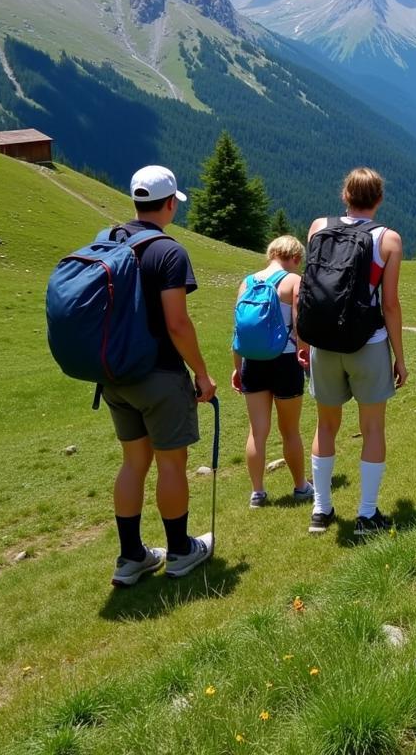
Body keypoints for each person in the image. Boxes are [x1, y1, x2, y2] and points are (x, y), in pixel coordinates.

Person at [103, 166, 217, 586]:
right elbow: (177, 325)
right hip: (159, 375)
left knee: (134, 462)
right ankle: (181, 551)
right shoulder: (168, 251)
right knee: (172, 463)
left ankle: (131, 556)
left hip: (114, 375)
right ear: (170, 204)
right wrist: (202, 373)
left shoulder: (112, 241)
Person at [297, 168, 407, 536]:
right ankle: (366, 514)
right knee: (372, 427)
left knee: (326, 425)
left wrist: (303, 340)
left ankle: (321, 509)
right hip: (368, 342)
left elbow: (310, 288)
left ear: (345, 195)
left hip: (323, 343)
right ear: (378, 199)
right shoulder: (388, 239)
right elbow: (389, 304)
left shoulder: (317, 228)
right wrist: (400, 358)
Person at [231, 235, 314, 508]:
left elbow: (239, 331)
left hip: (252, 361)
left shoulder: (247, 282)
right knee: (290, 430)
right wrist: (306, 355)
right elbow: (300, 325)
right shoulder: (293, 282)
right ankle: (301, 486)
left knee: (257, 431)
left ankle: (257, 492)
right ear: (295, 257)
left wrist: (237, 368)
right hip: (285, 360)